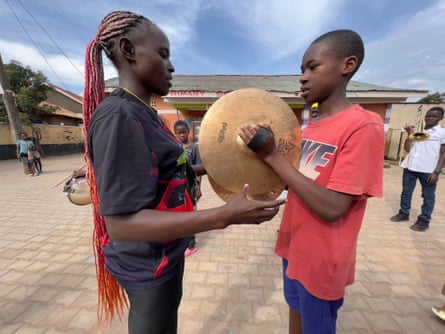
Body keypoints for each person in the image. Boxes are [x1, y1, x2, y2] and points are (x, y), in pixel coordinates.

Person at [82, 11, 285, 334]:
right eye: (162, 54)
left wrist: (226, 169)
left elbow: (166, 172)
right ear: (128, 50)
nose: (172, 66)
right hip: (147, 264)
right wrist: (224, 215)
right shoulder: (120, 117)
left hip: (165, 251)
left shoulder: (143, 112)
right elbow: (121, 224)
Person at [240, 29, 384, 334]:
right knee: (296, 313)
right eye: (301, 70)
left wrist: (273, 156)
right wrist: (263, 153)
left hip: (322, 257)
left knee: (316, 325)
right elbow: (294, 182)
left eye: (313, 67)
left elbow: (333, 207)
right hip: (294, 244)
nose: (303, 77)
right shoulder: (309, 129)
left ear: (348, 65)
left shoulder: (363, 125)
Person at [390, 106, 445, 231]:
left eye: (434, 116)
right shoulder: (419, 132)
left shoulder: (442, 133)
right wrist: (410, 134)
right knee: (406, 192)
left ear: (440, 118)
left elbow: (443, 154)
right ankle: (404, 213)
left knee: (428, 195)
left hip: (428, 171)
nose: (430, 118)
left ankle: (424, 219)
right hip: (410, 168)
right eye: (428, 116)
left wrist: (437, 172)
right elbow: (408, 149)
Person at [174, 119, 202, 256]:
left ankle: (191, 245)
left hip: (190, 187)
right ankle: (181, 240)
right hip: (178, 188)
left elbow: (198, 171)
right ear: (175, 134)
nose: (182, 135)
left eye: (184, 132)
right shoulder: (174, 147)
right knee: (180, 215)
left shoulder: (194, 148)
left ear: (188, 132)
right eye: (179, 133)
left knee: (191, 215)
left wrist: (197, 187)